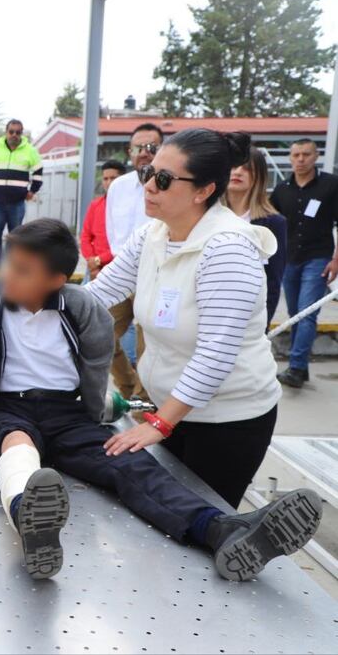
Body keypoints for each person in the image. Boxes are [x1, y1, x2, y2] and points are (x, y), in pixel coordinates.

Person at [0, 218, 322, 582]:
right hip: (7, 408)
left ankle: (220, 530)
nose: (8, 276)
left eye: (22, 270)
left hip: (68, 412)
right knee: (18, 444)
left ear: (56, 280)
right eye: (9, 264)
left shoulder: (82, 308)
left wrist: (103, 411)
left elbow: (97, 367)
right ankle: (30, 521)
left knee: (131, 467)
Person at [85, 129, 284, 509]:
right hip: (171, 410)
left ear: (203, 190)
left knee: (198, 531)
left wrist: (161, 424)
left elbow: (216, 354)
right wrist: (35, 301)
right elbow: (100, 294)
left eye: (163, 180)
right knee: (164, 520)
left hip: (227, 422)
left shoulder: (228, 250)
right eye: (148, 174)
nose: (149, 186)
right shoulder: (153, 234)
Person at [102, 122, 165, 399]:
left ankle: (143, 405)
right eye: (139, 147)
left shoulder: (169, 187)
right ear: (130, 151)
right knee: (99, 333)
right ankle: (128, 390)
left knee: (146, 347)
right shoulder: (119, 186)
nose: (145, 153)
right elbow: (113, 230)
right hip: (121, 273)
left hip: (154, 276)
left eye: (152, 147)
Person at [270, 139, 338, 388]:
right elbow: (269, 222)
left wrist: (336, 260)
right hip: (288, 259)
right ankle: (301, 367)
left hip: (318, 257)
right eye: (296, 154)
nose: (300, 159)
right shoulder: (282, 189)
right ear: (290, 158)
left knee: (307, 313)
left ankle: (297, 367)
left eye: (305, 154)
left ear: (315, 156)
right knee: (295, 314)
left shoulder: (331, 185)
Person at [225, 146, 287, 324]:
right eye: (233, 166)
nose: (238, 172)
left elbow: (273, 282)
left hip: (249, 319)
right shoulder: (205, 216)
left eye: (247, 168)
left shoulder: (274, 223)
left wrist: (263, 325)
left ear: (258, 176)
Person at [0, 118, 43, 270]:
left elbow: (38, 172)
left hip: (17, 202)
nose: (14, 135)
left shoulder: (31, 151)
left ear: (21, 134)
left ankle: (10, 264)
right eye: (11, 132)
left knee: (15, 235)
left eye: (18, 132)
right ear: (6, 132)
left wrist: (32, 191)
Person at [80, 159, 127, 278]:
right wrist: (93, 263)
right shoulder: (95, 205)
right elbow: (85, 237)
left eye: (113, 178)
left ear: (123, 179)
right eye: (105, 179)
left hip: (119, 268)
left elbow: (126, 244)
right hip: (94, 269)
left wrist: (98, 260)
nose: (109, 182)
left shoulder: (129, 208)